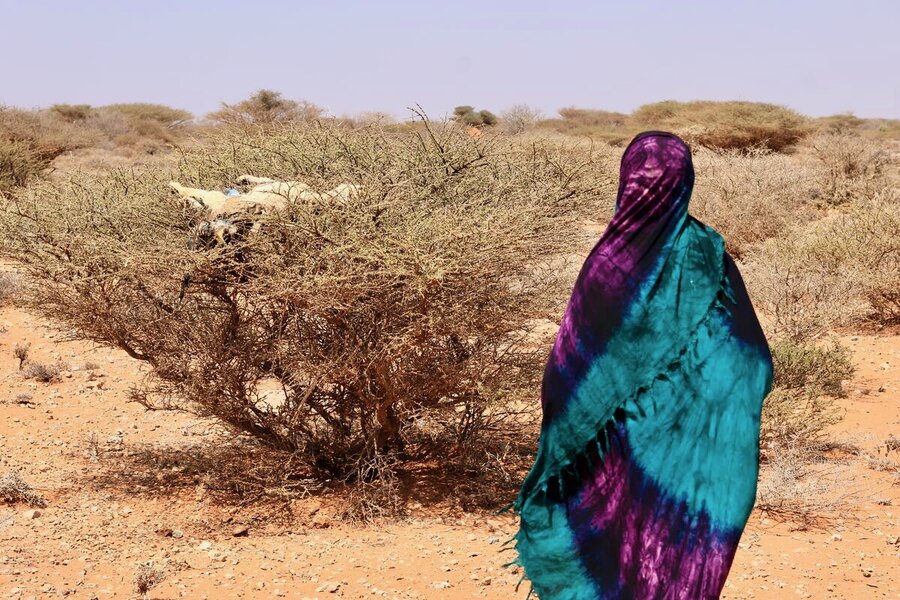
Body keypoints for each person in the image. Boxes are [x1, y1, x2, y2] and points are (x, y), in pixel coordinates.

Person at [510, 132, 773, 599]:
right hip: (685, 451)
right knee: (664, 546)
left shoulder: (608, 260)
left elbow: (570, 369)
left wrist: (569, 424)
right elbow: (749, 359)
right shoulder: (709, 255)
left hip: (614, 439)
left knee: (620, 540)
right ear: (685, 183)